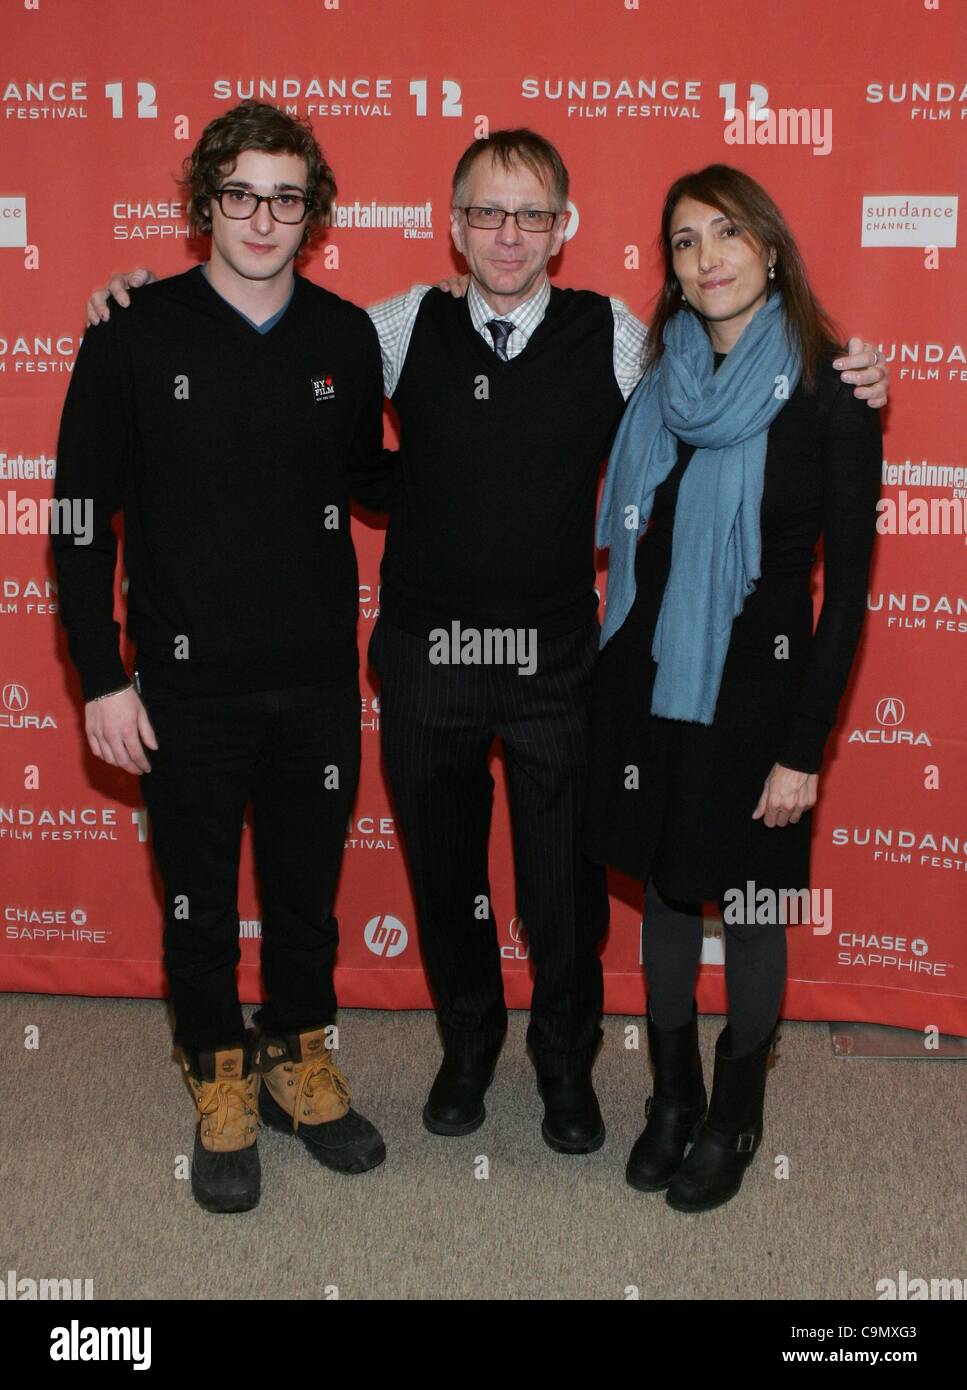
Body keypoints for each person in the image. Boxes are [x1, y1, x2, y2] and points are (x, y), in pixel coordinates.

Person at [85, 129, 888, 1159]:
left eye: (531, 214)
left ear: (565, 228)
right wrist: (138, 306)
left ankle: (565, 1067)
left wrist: (850, 358)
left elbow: (731, 372)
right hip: (425, 660)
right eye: (486, 213)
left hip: (558, 662)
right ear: (453, 224)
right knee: (447, 872)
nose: (508, 236)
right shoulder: (392, 328)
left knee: (564, 887)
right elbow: (267, 344)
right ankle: (467, 1050)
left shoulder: (618, 338)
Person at [54, 101, 394, 1214]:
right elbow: (76, 517)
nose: (262, 217)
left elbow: (376, 483)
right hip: (181, 685)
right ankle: (218, 1072)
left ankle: (296, 1057)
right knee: (196, 902)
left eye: (286, 197)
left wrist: (492, 446)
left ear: (313, 214)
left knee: (306, 897)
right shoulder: (132, 332)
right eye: (240, 193)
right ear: (206, 202)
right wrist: (100, 673)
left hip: (315, 682)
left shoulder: (345, 337)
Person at [585, 163, 883, 1211]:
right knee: (668, 889)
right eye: (682, 241)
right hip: (652, 685)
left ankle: (734, 1112)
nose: (705, 257)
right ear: (668, 267)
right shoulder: (656, 375)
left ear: (767, 248)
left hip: (761, 698)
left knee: (751, 904)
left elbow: (842, 597)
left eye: (725, 234)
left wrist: (804, 748)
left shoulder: (831, 387)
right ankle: (670, 1099)